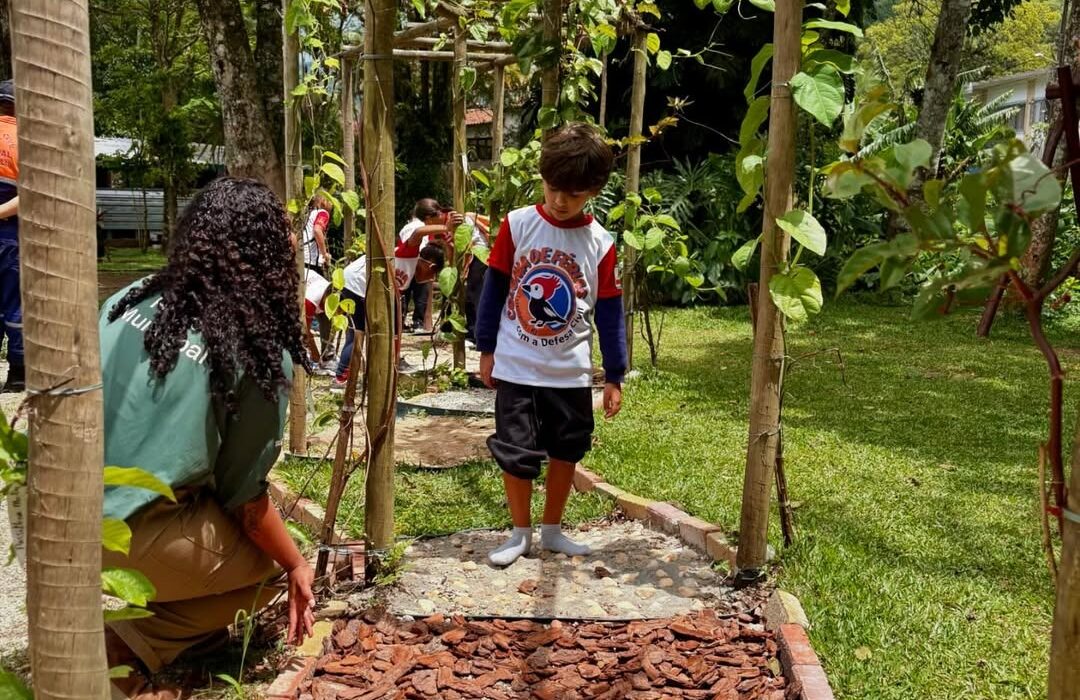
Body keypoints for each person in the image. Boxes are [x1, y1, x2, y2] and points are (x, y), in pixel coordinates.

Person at [99, 178, 314, 698]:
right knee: (275, 568)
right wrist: (296, 562)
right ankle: (129, 641)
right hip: (121, 535)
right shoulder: (256, 348)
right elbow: (244, 498)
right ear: (267, 251)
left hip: (44, 511)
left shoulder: (129, 296)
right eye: (284, 229)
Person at [475, 123, 627, 567]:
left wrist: (614, 374)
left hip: (570, 372)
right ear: (542, 178)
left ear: (594, 191)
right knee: (515, 450)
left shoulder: (600, 243)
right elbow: (493, 290)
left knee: (567, 448)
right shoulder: (517, 225)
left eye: (574, 194)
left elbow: (610, 311)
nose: (561, 201)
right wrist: (487, 349)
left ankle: (553, 530)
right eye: (554, 188)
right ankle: (519, 533)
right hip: (517, 366)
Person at [331, 231, 447, 389]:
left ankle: (387, 366)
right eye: (434, 274)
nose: (432, 279)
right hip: (355, 285)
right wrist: (444, 227)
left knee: (377, 331)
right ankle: (341, 378)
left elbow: (395, 310)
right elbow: (418, 232)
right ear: (431, 266)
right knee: (357, 334)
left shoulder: (409, 276)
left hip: (363, 287)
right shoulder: (410, 254)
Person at [398, 198, 458, 333]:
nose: (441, 216)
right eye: (438, 214)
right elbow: (417, 236)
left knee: (417, 295)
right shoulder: (416, 228)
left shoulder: (430, 228)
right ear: (428, 218)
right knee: (409, 294)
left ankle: (416, 323)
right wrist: (447, 228)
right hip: (417, 264)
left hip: (418, 265)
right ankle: (406, 323)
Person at [0, 79, 23, 393]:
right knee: (15, 303)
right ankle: (18, 374)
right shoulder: (27, 141)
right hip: (12, 233)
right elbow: (31, 193)